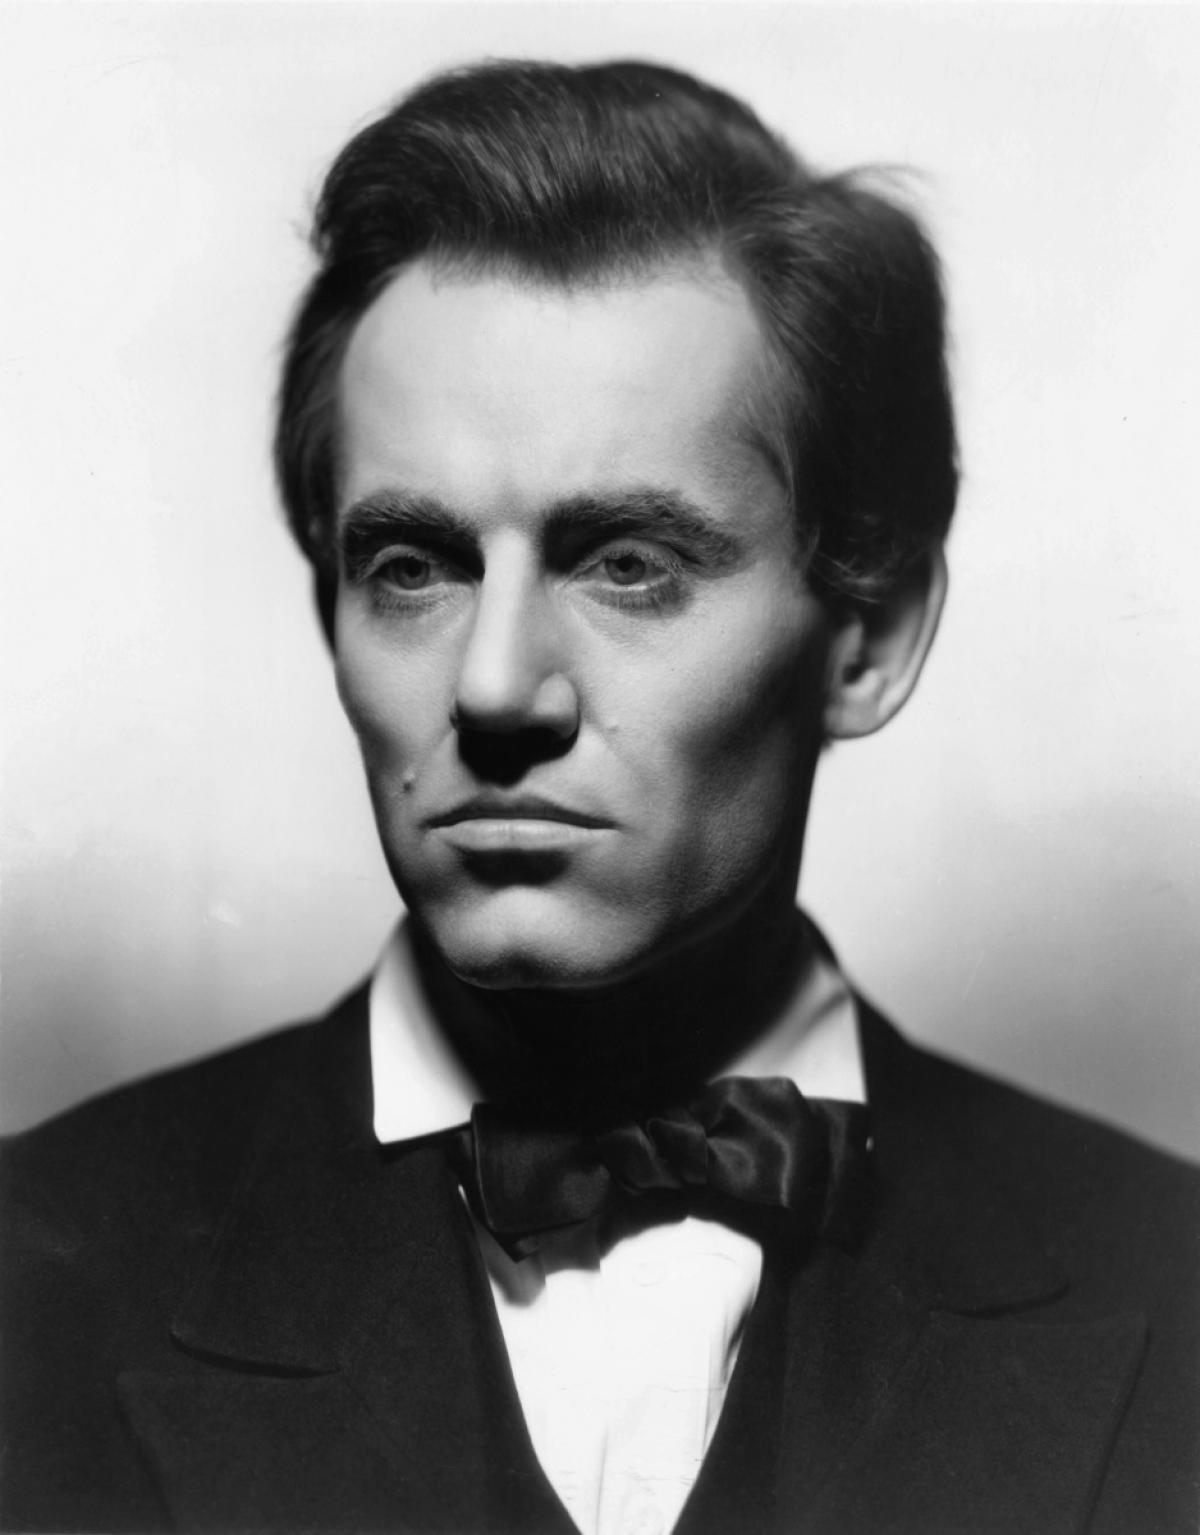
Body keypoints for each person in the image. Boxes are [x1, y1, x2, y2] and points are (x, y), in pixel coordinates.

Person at [1, 57, 1196, 1535]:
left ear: (870, 640)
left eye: (629, 564)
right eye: (412, 568)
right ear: (331, 614)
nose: (497, 687)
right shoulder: (33, 1283)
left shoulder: (1173, 1288)